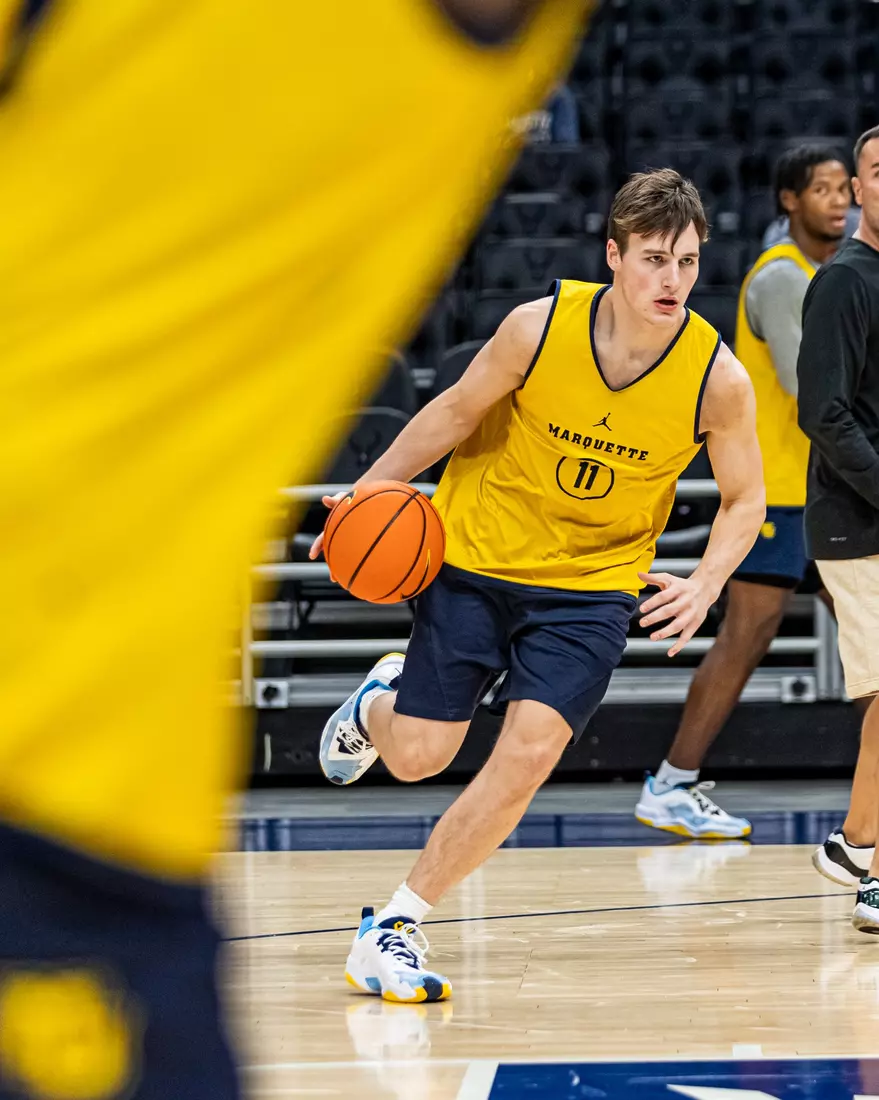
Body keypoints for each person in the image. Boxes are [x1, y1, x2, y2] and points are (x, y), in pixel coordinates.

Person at [0, 1, 588, 1095]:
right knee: (424, 744)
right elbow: (457, 412)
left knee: (510, 745)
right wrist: (384, 486)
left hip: (83, 796)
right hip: (56, 792)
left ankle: (400, 901)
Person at [313, 169, 766, 1003]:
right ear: (613, 256)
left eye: (688, 262)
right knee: (417, 758)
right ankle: (379, 701)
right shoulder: (537, 329)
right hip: (476, 559)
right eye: (653, 260)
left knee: (530, 752)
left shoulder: (717, 379)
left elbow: (745, 499)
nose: (671, 280)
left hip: (591, 589)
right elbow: (452, 413)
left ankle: (396, 926)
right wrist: (366, 491)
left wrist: (706, 581)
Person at [635, 144, 853, 840]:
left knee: (865, 637)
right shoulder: (784, 278)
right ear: (788, 200)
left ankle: (672, 782)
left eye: (843, 187)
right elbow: (810, 386)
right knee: (744, 638)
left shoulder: (826, 273)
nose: (838, 200)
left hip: (821, 493)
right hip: (784, 494)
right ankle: (669, 783)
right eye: (820, 189)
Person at [798, 124, 879, 930]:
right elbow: (820, 413)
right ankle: (866, 865)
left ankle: (856, 847)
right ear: (855, 190)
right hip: (858, 523)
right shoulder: (843, 281)